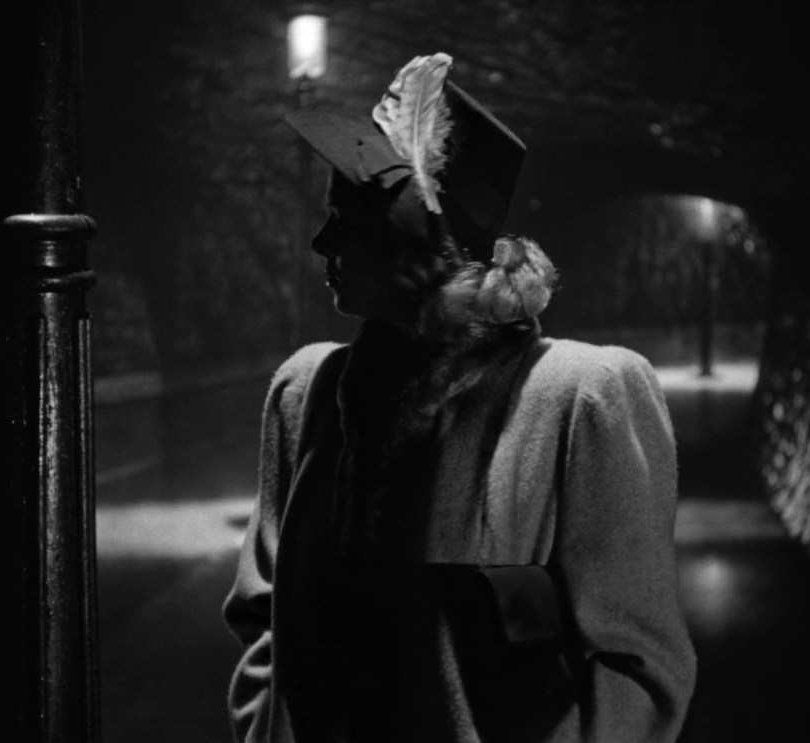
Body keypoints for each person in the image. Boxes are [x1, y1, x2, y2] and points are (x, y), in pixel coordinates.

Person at [223, 52, 696, 743]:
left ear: (416, 246)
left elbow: (638, 666)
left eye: (348, 218)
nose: (321, 242)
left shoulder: (579, 397)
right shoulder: (308, 394)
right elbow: (263, 616)